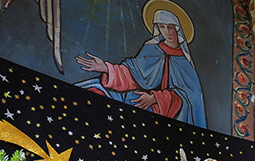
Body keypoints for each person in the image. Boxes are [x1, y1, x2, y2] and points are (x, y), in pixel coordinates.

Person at [74, 8, 207, 127]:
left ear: (177, 29)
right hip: (134, 95)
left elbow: (188, 97)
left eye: (170, 27)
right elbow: (133, 73)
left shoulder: (184, 62)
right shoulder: (152, 49)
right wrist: (106, 68)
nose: (167, 32)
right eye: (162, 27)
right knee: (95, 91)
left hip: (161, 108)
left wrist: (154, 98)